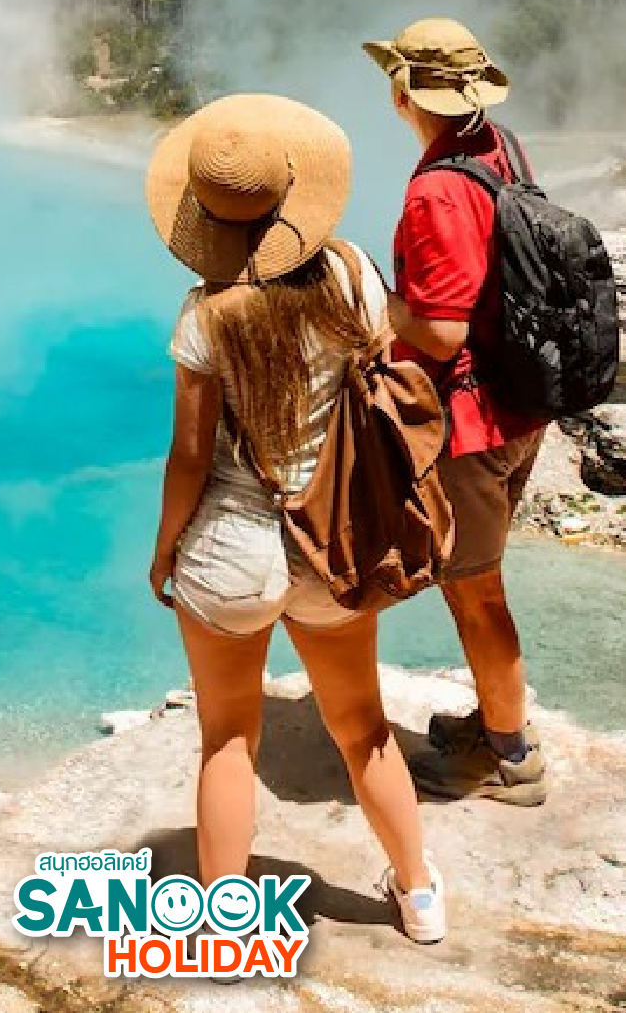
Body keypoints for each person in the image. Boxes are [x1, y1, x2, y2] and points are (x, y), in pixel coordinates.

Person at [145, 92, 448, 945]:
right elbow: (378, 376)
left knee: (226, 740)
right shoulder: (350, 272)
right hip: (335, 543)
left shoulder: (205, 315)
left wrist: (165, 553)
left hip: (231, 552)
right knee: (362, 727)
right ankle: (418, 893)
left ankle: (222, 929)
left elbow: (190, 460)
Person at [361, 19, 551, 806]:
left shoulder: (438, 188)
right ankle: (493, 716)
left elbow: (438, 331)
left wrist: (377, 300)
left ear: (404, 92)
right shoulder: (496, 145)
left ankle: (511, 756)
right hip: (521, 400)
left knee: (474, 589)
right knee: (476, 581)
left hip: (470, 423)